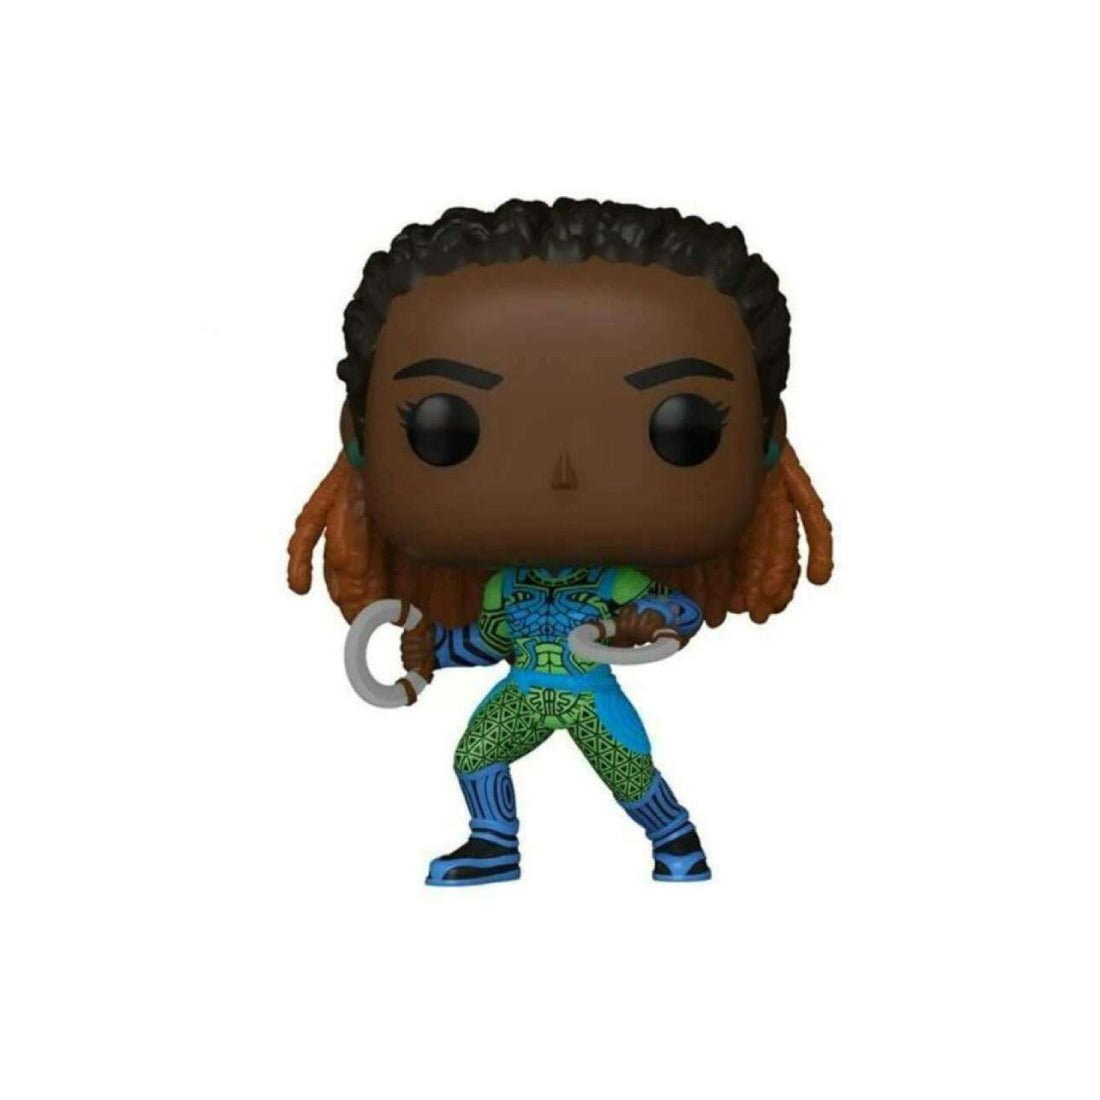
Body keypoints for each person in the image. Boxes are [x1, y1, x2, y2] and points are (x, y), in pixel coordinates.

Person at [288, 198, 833, 885]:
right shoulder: (504, 588)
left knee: (629, 771)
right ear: (359, 435)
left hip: (588, 694)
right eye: (445, 427)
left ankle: (676, 839)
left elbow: (678, 614)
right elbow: (493, 640)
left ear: (766, 436)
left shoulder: (614, 586)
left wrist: (643, 622)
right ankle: (493, 843)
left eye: (682, 426)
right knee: (475, 756)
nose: (563, 475)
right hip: (526, 689)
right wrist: (433, 651)